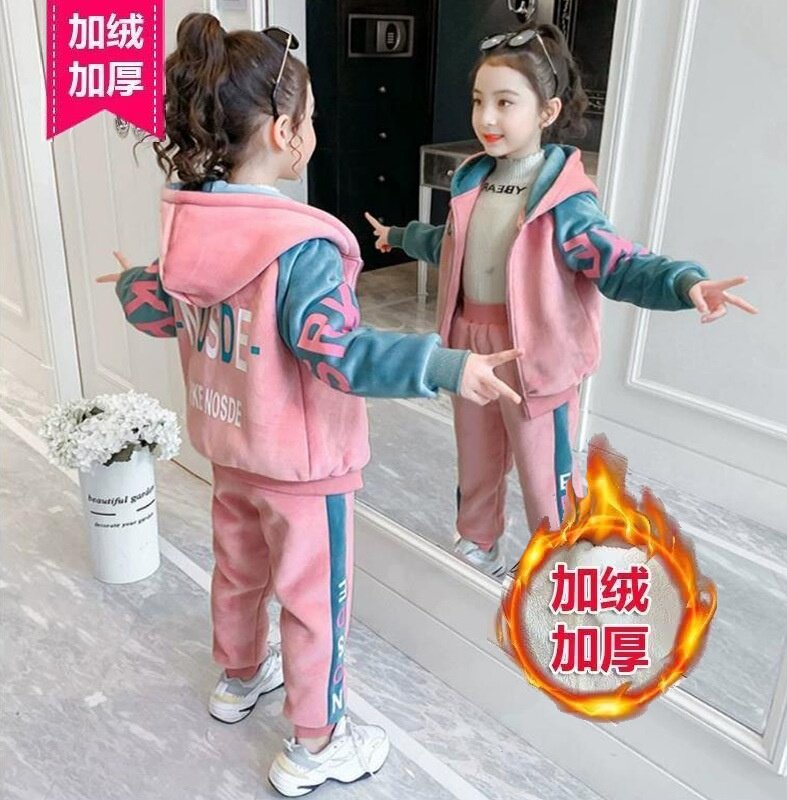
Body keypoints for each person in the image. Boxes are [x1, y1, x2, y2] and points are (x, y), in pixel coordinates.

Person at [98, 13, 521, 797]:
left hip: (229, 449)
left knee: (238, 570)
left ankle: (238, 678)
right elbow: (338, 354)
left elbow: (157, 306)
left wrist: (129, 284)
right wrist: (444, 364)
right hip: (300, 468)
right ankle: (318, 742)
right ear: (286, 131)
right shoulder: (301, 246)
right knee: (312, 601)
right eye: (314, 116)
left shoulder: (191, 225)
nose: (315, 130)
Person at [366, 23, 757, 579]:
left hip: (537, 358)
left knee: (544, 474)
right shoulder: (471, 182)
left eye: (505, 102)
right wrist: (400, 236)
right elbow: (450, 243)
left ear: (547, 111)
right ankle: (478, 543)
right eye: (478, 101)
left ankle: (557, 565)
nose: (486, 117)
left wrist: (682, 282)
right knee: (476, 459)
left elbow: (618, 262)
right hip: (469, 348)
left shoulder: (566, 200)